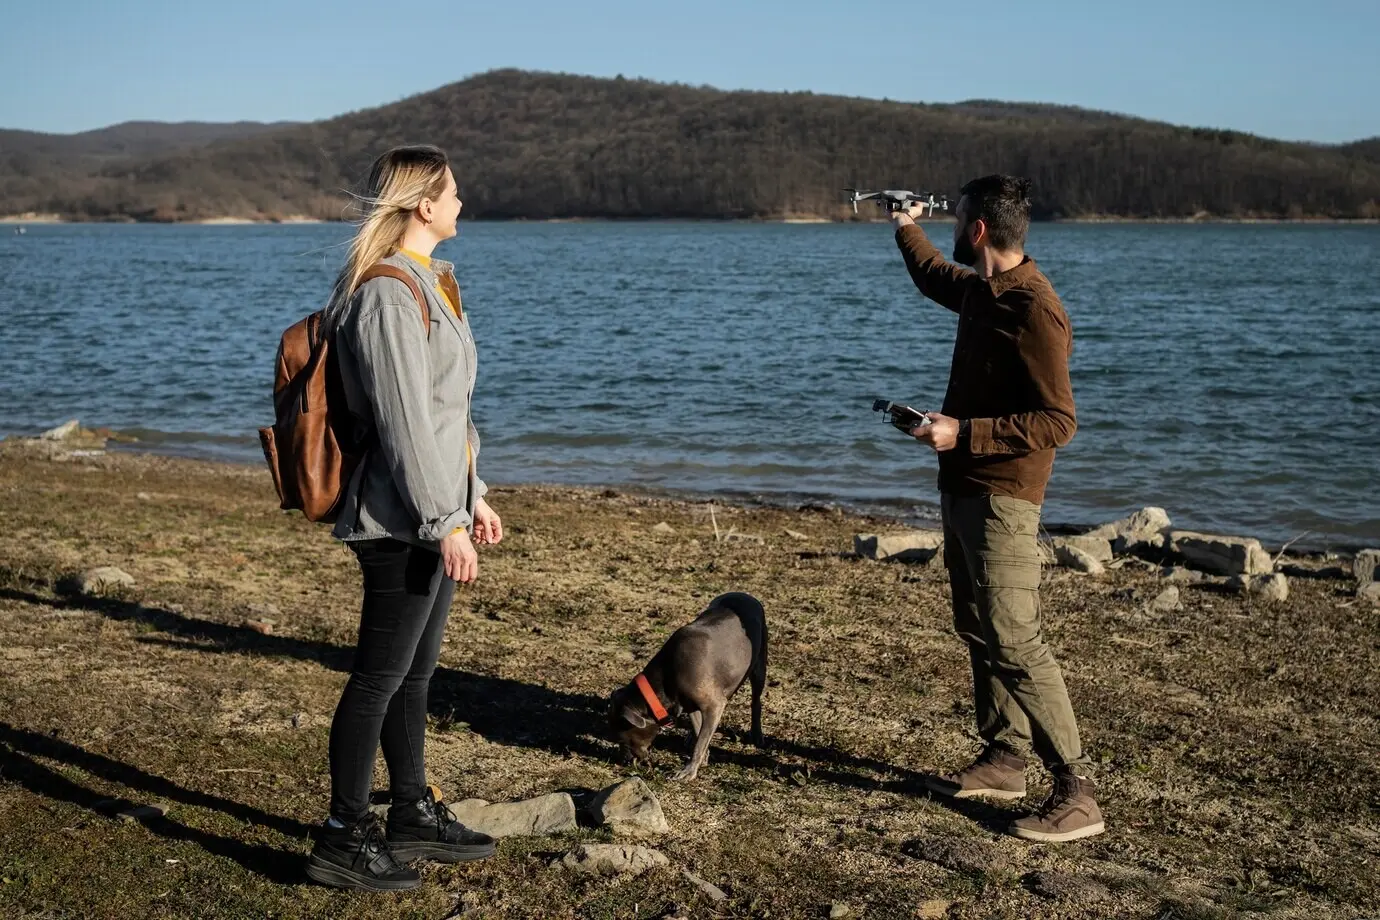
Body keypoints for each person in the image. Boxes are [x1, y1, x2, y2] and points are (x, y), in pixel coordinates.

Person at [304, 145, 504, 891]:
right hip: (397, 521)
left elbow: (447, 415)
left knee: (413, 675)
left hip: (431, 507)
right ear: (423, 204)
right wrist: (442, 522)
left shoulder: (430, 280)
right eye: (453, 192)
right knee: (377, 678)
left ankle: (411, 811)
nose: (462, 202)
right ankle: (342, 835)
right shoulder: (388, 291)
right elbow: (403, 423)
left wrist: (472, 494)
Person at [891, 174, 1104, 843]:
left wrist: (967, 433)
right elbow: (934, 277)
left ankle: (1075, 789)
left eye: (955, 218)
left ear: (978, 229)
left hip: (1005, 495)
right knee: (978, 624)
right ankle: (1006, 755)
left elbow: (1059, 421)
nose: (950, 227)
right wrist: (904, 226)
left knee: (1014, 636)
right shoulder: (984, 291)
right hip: (962, 485)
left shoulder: (1036, 309)